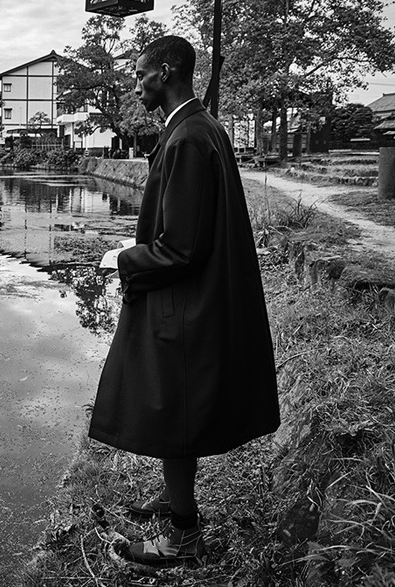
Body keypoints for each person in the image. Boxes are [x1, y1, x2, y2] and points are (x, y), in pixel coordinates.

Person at [88, 35, 280, 566]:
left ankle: (183, 535)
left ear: (167, 72)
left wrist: (123, 259)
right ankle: (176, 499)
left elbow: (181, 248)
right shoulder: (198, 127)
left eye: (141, 74)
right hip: (198, 292)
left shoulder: (189, 138)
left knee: (171, 405)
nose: (136, 85)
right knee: (176, 405)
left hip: (186, 300)